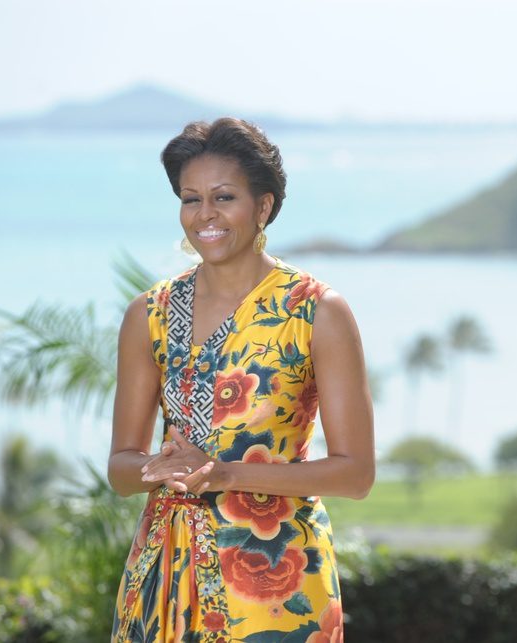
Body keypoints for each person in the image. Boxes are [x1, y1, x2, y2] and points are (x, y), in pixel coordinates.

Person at [107, 117, 375, 642]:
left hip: (278, 586)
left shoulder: (316, 311)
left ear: (264, 207)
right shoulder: (150, 314)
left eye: (224, 197)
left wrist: (223, 474)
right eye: (191, 199)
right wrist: (161, 469)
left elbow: (355, 475)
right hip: (162, 580)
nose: (205, 215)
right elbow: (120, 469)